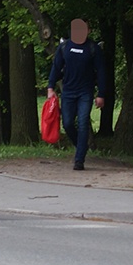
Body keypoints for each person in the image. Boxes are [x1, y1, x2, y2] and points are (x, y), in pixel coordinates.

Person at [47, 18, 108, 171]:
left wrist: (101, 94)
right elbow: (56, 67)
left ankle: (79, 159)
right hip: (68, 91)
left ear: (88, 31)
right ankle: (81, 147)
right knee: (67, 123)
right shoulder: (64, 47)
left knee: (82, 123)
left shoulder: (93, 49)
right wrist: (50, 87)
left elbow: (101, 72)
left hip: (85, 93)